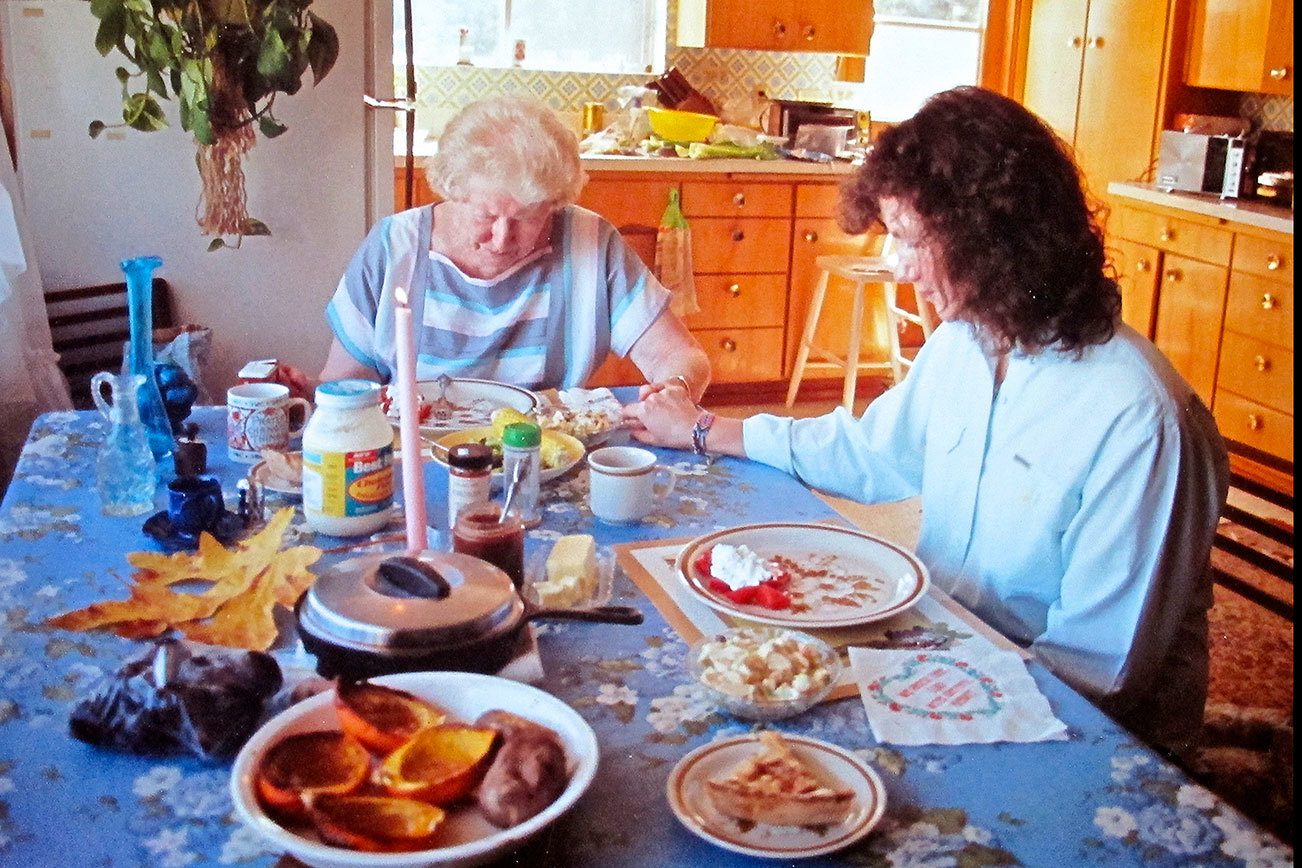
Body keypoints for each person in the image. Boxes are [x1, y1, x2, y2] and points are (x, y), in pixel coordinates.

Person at [625, 86, 1228, 756]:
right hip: (954, 651)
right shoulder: (967, 343)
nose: (893, 262)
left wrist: (903, 696)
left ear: (997, 242)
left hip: (1071, 730)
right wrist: (706, 431)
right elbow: (870, 452)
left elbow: (1099, 671)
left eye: (909, 238)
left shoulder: (1141, 420)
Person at [298, 95, 709, 399]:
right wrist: (305, 394)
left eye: (527, 218)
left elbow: (683, 357)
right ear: (452, 190)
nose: (501, 239)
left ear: (554, 202)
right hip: (415, 465)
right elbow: (345, 383)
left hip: (544, 462)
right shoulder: (393, 248)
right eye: (484, 215)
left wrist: (674, 388)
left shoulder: (591, 245)